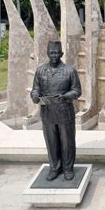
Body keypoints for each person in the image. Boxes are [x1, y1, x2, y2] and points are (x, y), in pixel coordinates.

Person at [31, 41, 82, 181]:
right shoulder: (40, 70)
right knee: (51, 142)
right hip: (47, 113)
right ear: (47, 53)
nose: (54, 55)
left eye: (57, 53)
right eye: (51, 53)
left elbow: (77, 90)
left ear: (62, 54)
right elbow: (36, 88)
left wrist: (66, 96)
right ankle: (54, 167)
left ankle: (68, 168)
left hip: (65, 112)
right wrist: (34, 95)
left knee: (67, 142)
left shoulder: (70, 71)